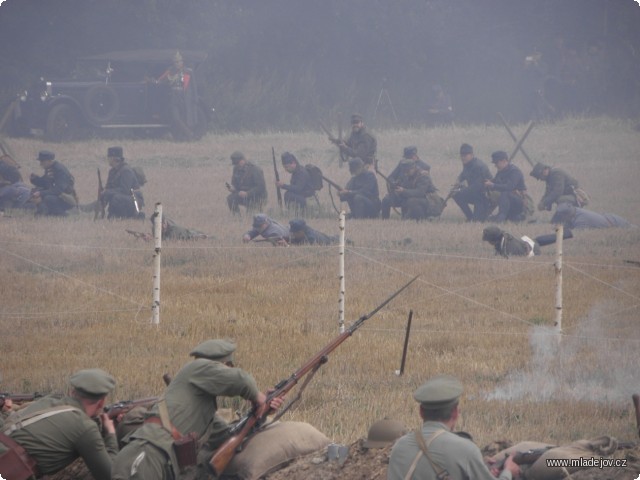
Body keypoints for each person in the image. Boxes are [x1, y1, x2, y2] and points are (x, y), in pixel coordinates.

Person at [111, 339, 285, 480]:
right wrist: (258, 397)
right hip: (145, 459)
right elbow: (242, 380)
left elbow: (228, 436)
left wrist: (262, 412)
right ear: (222, 366)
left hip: (157, 462)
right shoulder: (196, 368)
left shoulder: (203, 410)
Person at [387, 374, 520, 480]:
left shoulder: (399, 446)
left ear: (421, 412)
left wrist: (480, 464)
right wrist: (508, 472)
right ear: (455, 412)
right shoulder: (466, 450)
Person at [0, 369, 118, 480]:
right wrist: (111, 434)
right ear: (101, 402)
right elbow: (109, 476)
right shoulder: (85, 426)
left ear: (72, 392)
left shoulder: (48, 401)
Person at [156, 50, 198, 140]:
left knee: (185, 118)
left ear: (182, 62)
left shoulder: (188, 72)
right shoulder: (170, 72)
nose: (177, 63)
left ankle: (182, 137)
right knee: (176, 118)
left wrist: (195, 98)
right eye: (176, 62)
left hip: (184, 97)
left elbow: (193, 86)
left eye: (179, 61)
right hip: (173, 97)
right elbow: (161, 81)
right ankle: (189, 134)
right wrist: (153, 81)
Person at [452, 143, 493, 222]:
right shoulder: (467, 164)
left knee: (477, 222)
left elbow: (476, 187)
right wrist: (458, 181)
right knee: (456, 194)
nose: (463, 157)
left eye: (465, 155)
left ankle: (481, 216)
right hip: (476, 195)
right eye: (462, 155)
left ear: (472, 155)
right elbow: (463, 174)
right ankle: (470, 217)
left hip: (484, 197)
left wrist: (460, 190)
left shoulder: (478, 166)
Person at [101, 146, 144, 219]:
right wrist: (103, 195)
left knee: (116, 198)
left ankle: (130, 216)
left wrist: (108, 192)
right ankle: (113, 215)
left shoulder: (126, 171)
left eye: (109, 157)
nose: (108, 159)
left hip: (134, 201)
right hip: (123, 198)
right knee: (107, 196)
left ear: (114, 158)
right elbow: (109, 188)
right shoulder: (112, 172)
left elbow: (125, 190)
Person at [29, 150, 77, 216]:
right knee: (35, 191)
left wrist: (41, 193)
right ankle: (45, 212)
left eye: (42, 161)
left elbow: (58, 190)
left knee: (48, 198)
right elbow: (45, 183)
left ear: (49, 161)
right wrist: (35, 179)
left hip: (66, 199)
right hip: (57, 196)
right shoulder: (50, 168)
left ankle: (62, 214)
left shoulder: (60, 170)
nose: (40, 164)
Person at [484, 150, 528, 223]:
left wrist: (493, 185)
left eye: (496, 163)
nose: (495, 165)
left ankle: (501, 218)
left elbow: (509, 187)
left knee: (505, 193)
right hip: (507, 203)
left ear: (504, 161)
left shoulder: (515, 172)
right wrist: (488, 182)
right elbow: (496, 181)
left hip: (520, 203)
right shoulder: (501, 171)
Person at [226, 151, 267, 215]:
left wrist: (247, 193)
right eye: (236, 164)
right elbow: (234, 184)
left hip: (256, 197)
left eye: (238, 163)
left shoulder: (255, 169)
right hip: (243, 195)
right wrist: (233, 188)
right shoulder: (236, 169)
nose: (237, 166)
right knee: (231, 198)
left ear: (242, 160)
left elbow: (261, 187)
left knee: (251, 217)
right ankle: (237, 219)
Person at [551, 202, 637, 229]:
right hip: (610, 218)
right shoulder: (576, 211)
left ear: (567, 215)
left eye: (562, 217)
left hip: (615, 223)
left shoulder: (581, 220)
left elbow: (575, 235)